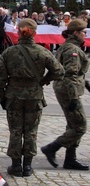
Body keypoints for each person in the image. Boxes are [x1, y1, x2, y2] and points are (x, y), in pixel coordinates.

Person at [0, 18, 64, 177]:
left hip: (14, 97)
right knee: (31, 131)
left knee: (16, 130)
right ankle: (27, 166)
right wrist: (43, 80)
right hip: (35, 97)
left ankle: (16, 166)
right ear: (34, 33)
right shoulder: (42, 52)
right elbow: (59, 71)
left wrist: (2, 97)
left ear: (18, 32)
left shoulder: (10, 52)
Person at [41, 19, 89, 171]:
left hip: (66, 89)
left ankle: (70, 159)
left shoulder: (69, 46)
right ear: (75, 33)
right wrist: (74, 97)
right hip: (68, 91)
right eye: (83, 32)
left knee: (73, 124)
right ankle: (51, 148)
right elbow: (70, 74)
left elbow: (77, 73)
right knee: (80, 126)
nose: (85, 34)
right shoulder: (72, 50)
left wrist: (86, 85)